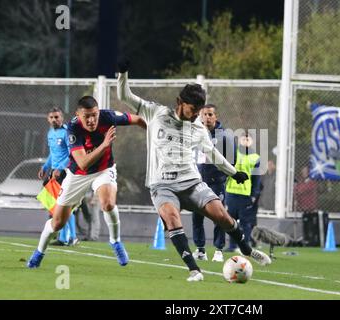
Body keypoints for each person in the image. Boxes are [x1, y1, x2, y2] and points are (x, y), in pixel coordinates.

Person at [117, 61, 271, 282]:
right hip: (163, 185)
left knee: (222, 216)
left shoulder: (198, 127)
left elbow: (212, 153)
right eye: (193, 110)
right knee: (172, 218)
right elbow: (125, 96)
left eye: (199, 111)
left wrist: (233, 172)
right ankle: (194, 270)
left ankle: (247, 250)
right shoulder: (156, 113)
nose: (196, 115)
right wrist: (123, 73)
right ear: (180, 102)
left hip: (192, 183)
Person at [27, 95, 147, 268]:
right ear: (78, 114)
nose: (91, 120)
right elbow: (83, 162)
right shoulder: (73, 129)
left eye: (94, 115)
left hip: (104, 170)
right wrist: (104, 145)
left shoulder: (108, 116)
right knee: (57, 222)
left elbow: (137, 119)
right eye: (87, 116)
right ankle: (39, 253)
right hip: (78, 174)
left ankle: (115, 242)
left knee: (108, 204)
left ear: (98, 112)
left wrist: (153, 134)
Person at [192, 104, 236, 263]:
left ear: (216, 117)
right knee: (196, 216)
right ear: (200, 116)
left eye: (210, 114)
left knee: (218, 216)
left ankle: (218, 250)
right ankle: (200, 249)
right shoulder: (195, 133)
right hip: (197, 183)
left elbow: (232, 160)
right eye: (204, 114)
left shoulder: (225, 136)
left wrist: (221, 177)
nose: (207, 117)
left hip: (216, 183)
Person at [38, 107, 78, 246]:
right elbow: (52, 154)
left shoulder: (67, 133)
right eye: (51, 117)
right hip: (54, 171)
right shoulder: (50, 133)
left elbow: (71, 154)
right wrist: (45, 167)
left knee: (63, 204)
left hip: (64, 172)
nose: (54, 120)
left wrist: (60, 168)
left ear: (62, 118)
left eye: (57, 117)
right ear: (48, 119)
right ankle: (64, 236)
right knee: (55, 204)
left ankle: (70, 237)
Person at [225, 133, 261, 251]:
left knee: (245, 223)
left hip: (245, 195)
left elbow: (256, 178)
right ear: (239, 140)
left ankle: (244, 246)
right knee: (231, 222)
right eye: (243, 138)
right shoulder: (233, 154)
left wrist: (254, 195)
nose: (245, 141)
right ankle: (232, 246)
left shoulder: (255, 157)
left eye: (248, 139)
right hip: (231, 193)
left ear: (251, 141)